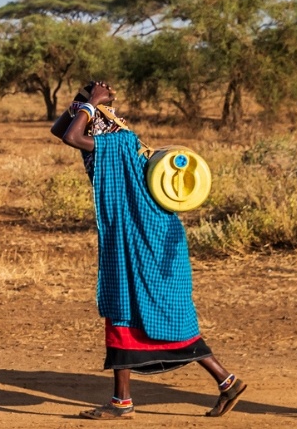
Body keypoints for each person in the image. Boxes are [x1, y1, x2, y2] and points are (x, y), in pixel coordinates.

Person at [51, 83, 246, 421]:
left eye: (89, 118)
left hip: (148, 241)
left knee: (153, 314)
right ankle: (218, 383)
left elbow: (72, 137)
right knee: (128, 311)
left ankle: (127, 402)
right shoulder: (109, 143)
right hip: (133, 239)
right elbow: (61, 130)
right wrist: (84, 102)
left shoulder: (119, 142)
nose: (83, 123)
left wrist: (93, 104)